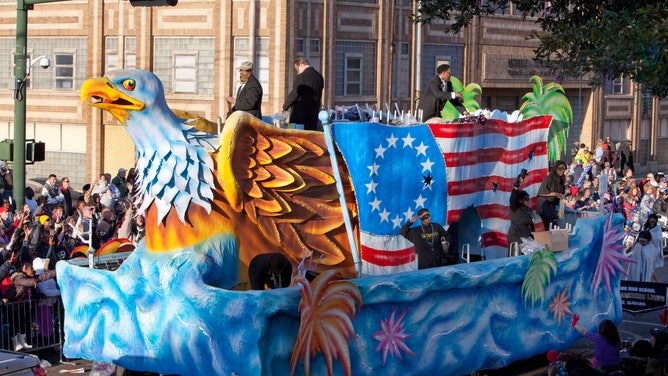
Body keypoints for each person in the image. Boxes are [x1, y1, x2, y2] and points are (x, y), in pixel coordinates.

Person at [282, 57, 324, 131]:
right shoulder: (319, 77)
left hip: (300, 115)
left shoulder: (301, 77)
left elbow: (294, 94)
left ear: (302, 65)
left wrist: (285, 107)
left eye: (298, 70)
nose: (298, 72)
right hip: (313, 114)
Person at [508, 173, 534, 255]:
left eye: (528, 198)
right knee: (516, 256)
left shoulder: (528, 210)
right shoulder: (515, 207)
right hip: (516, 235)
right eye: (526, 199)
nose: (528, 200)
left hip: (527, 234)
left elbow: (532, 224)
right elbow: (513, 198)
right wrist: (516, 185)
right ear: (520, 200)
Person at [536, 161, 567, 230]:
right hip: (545, 205)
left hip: (552, 206)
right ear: (555, 168)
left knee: (554, 225)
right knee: (549, 225)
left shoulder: (561, 180)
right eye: (560, 169)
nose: (562, 171)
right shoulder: (549, 178)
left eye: (564, 169)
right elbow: (541, 192)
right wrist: (555, 194)